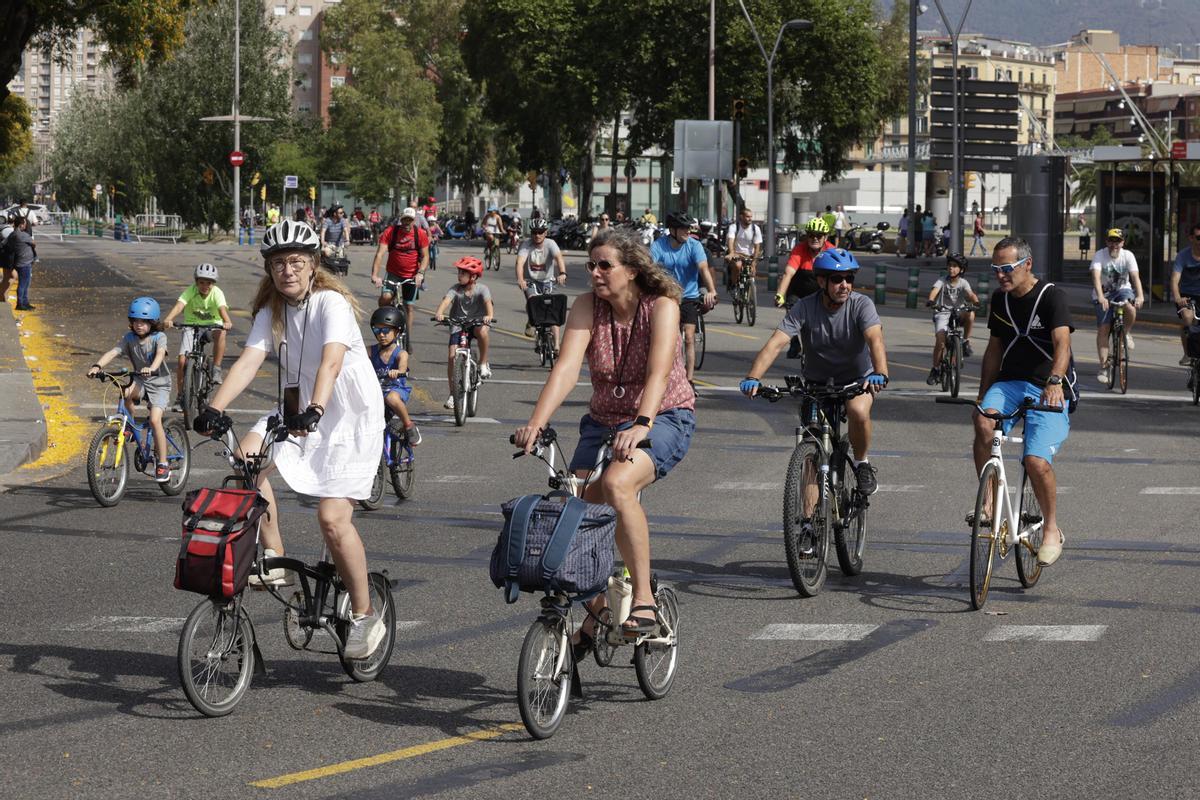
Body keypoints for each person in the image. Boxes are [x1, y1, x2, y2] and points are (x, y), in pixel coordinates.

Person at [193, 219, 387, 659]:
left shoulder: (330, 303)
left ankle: (363, 613)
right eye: (278, 263)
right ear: (270, 269)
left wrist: (316, 409)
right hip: (299, 410)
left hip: (347, 416)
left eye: (296, 262)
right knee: (245, 460)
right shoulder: (272, 310)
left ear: (313, 264)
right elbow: (249, 361)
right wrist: (214, 408)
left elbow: (331, 364)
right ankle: (274, 556)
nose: (288, 271)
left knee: (333, 519)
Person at [512, 227, 695, 652]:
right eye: (590, 265)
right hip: (603, 421)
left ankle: (645, 601)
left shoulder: (661, 306)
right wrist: (536, 424)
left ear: (631, 270)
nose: (595, 272)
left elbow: (659, 372)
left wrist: (642, 424)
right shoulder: (585, 306)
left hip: (664, 415)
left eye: (604, 265)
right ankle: (597, 615)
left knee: (616, 484)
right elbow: (566, 368)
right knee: (574, 505)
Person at [740, 248, 889, 500]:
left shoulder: (861, 304)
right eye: (837, 279)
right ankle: (809, 526)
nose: (844, 285)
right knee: (811, 446)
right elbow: (777, 342)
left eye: (849, 279)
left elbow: (875, 339)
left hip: (857, 380)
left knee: (858, 411)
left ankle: (862, 463)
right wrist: (753, 377)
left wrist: (880, 372)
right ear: (821, 281)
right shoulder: (804, 307)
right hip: (816, 383)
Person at [972, 236, 1074, 567]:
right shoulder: (999, 301)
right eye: (995, 269)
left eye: (1006, 268)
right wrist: (982, 391)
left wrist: (1056, 381)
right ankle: (989, 501)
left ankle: (1052, 530)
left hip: (1047, 386)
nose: (1000, 275)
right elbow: (994, 348)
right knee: (983, 420)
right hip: (1010, 382)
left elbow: (1063, 345)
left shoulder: (1051, 296)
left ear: (1026, 264)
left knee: (1035, 462)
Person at [87, 297, 173, 482]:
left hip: (159, 383)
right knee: (125, 392)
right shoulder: (129, 338)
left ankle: (163, 463)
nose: (139, 325)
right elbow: (113, 351)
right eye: (135, 321)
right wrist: (97, 366)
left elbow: (160, 354)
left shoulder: (159, 337)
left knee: (155, 419)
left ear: (152, 322)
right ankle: (129, 425)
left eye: (143, 322)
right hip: (140, 379)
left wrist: (152, 367)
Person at [650, 211, 718, 382]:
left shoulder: (694, 246)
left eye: (689, 228)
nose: (688, 231)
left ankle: (689, 381)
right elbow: (649, 269)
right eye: (684, 228)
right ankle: (665, 375)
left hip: (689, 296)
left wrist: (712, 291)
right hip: (667, 297)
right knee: (669, 338)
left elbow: (703, 268)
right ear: (672, 230)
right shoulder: (659, 246)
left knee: (688, 337)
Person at [162, 263, 233, 404]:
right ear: (196, 282)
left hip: (211, 327)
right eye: (201, 282)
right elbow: (179, 305)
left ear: (213, 283)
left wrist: (227, 321)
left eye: (209, 283)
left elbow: (222, 308)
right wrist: (169, 318)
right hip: (191, 326)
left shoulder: (217, 292)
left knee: (221, 334)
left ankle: (216, 368)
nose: (205, 286)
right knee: (182, 361)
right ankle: (181, 395)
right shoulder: (190, 291)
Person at [435, 256, 495, 409]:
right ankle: (453, 394)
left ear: (473, 276)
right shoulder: (455, 289)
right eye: (459, 272)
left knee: (482, 332)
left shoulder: (482, 289)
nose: (459, 275)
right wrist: (440, 313)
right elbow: (446, 302)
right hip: (458, 324)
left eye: (463, 273)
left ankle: (482, 362)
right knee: (451, 356)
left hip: (477, 322)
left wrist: (488, 316)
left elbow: (489, 305)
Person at [777, 217, 835, 359]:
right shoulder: (799, 249)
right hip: (798, 289)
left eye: (819, 236)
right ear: (806, 236)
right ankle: (795, 342)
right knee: (792, 310)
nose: (814, 238)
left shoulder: (831, 251)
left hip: (819, 290)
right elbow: (788, 273)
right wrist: (780, 294)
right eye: (811, 235)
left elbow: (839, 276)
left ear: (825, 237)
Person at [1091, 228, 1143, 383]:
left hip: (1122, 291)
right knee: (1104, 329)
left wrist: (1140, 295)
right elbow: (1096, 276)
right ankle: (1104, 367)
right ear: (1107, 242)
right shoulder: (1100, 255)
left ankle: (1125, 333)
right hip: (1103, 294)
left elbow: (1135, 277)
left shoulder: (1128, 256)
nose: (1114, 245)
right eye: (1111, 241)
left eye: (1118, 241)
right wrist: (1100, 297)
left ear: (1123, 243)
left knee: (1130, 307)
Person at [370, 207, 430, 339]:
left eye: (410, 220)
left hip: (412, 275)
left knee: (409, 306)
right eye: (404, 220)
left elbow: (425, 256)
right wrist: (375, 275)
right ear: (400, 220)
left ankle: (406, 336)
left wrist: (420, 273)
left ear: (414, 220)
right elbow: (380, 254)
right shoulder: (391, 232)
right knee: (385, 298)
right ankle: (384, 323)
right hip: (393, 273)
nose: (407, 223)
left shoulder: (420, 234)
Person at [368, 306, 421, 445]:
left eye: (386, 330)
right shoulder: (370, 351)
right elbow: (356, 357)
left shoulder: (400, 353)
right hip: (376, 391)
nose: (381, 334)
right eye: (377, 330)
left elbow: (403, 365)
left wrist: (398, 371)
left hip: (395, 388)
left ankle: (409, 426)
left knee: (391, 398)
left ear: (397, 332)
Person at [925, 253, 979, 385]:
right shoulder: (942, 280)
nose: (951, 269)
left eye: (955, 266)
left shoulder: (963, 283)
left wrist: (976, 302)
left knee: (971, 313)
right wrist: (931, 301)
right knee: (940, 341)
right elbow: (934, 291)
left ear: (961, 269)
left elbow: (970, 294)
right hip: (943, 312)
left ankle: (965, 341)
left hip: (958, 312)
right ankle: (935, 369)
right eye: (949, 266)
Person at [516, 218, 567, 343]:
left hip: (548, 280)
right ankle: (530, 321)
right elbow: (519, 263)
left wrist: (562, 273)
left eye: (540, 232)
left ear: (545, 233)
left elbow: (559, 258)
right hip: (530, 281)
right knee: (533, 300)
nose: (537, 235)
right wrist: (520, 279)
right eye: (534, 232)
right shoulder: (526, 245)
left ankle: (556, 346)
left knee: (553, 311)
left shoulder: (550, 244)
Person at [1171, 221, 1200, 366]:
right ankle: (1187, 354)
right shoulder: (1183, 256)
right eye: (1198, 238)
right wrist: (1178, 298)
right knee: (1187, 318)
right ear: (1191, 238)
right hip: (1187, 296)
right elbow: (1175, 279)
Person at [725, 205, 762, 291]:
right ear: (741, 217)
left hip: (749, 256)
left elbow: (757, 246)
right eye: (747, 216)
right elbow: (731, 240)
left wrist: (754, 262)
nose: (750, 219)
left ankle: (750, 294)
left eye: (751, 217)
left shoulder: (755, 229)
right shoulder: (734, 227)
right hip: (737, 254)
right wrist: (731, 253)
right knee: (738, 266)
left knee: (751, 272)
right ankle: (733, 285)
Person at [5, 214, 36, 310]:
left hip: (18, 261)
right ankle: (21, 304)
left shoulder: (12, 234)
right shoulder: (22, 235)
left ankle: (25, 302)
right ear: (21, 225)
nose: (26, 226)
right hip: (24, 263)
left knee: (25, 284)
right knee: (24, 284)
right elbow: (34, 243)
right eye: (25, 224)